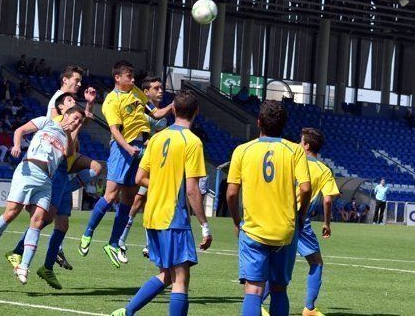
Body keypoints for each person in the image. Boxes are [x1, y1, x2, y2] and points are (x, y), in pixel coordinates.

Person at [110, 90, 212, 316]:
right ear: (196, 111)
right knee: (181, 280)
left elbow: (139, 178)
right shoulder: (192, 141)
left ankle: (127, 311)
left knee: (167, 275)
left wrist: (162, 182)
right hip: (173, 217)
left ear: (173, 109)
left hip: (153, 215)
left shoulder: (156, 138)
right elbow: (193, 189)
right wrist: (205, 226)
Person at [79, 61, 172, 268]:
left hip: (139, 148)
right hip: (122, 149)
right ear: (117, 78)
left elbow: (155, 114)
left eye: (132, 76)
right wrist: (128, 149)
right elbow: (114, 130)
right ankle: (88, 232)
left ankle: (113, 243)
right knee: (111, 195)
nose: (132, 79)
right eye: (128, 76)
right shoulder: (111, 100)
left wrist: (174, 106)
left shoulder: (138, 93)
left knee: (128, 199)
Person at [5, 92, 103, 288]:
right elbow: (66, 142)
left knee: (62, 225)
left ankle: (47, 267)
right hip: (59, 171)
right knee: (45, 219)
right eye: (69, 101)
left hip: (67, 171)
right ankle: (17, 251)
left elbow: (79, 127)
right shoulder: (56, 122)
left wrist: (90, 105)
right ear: (60, 108)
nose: (73, 102)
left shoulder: (73, 121)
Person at [0, 106, 85, 285]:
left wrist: (67, 133)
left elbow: (68, 154)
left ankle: (23, 266)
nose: (76, 122)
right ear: (65, 115)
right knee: (11, 213)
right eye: (74, 118)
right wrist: (17, 144)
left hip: (46, 181)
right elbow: (21, 130)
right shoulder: (46, 122)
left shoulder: (69, 141)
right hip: (28, 170)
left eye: (80, 121)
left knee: (37, 222)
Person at [226, 100, 312, 316]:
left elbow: (231, 193)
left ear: (258, 122)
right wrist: (301, 215)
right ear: (284, 124)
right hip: (285, 230)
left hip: (253, 230)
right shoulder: (295, 151)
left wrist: (237, 221)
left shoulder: (242, 150)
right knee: (279, 289)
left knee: (253, 290)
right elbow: (306, 188)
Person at [262, 128, 340, 316]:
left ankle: (256, 301)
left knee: (274, 263)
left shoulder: (290, 161)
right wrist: (326, 223)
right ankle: (309, 308)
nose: (297, 144)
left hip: (279, 215)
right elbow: (328, 199)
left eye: (300, 141)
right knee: (316, 262)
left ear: (306, 145)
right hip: (300, 219)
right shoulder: (323, 170)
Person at [117, 76, 168, 263]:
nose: (160, 91)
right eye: (156, 88)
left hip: (154, 163)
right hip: (145, 163)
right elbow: (146, 139)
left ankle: (147, 245)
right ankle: (121, 241)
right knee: (138, 200)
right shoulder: (145, 114)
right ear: (146, 93)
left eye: (161, 87)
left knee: (147, 202)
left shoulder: (159, 115)